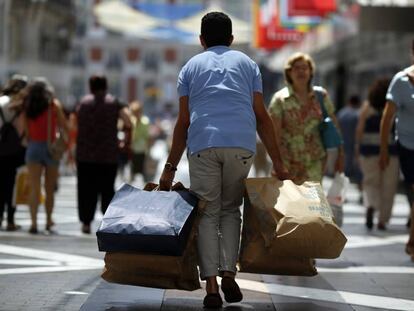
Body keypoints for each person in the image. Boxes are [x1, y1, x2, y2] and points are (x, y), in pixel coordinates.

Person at [159, 12, 290, 309]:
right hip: (241, 145)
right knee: (231, 210)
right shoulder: (248, 64)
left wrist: (170, 168)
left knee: (207, 213)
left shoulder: (190, 67)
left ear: (201, 40)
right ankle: (229, 272)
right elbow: (261, 116)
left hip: (203, 144)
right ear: (231, 39)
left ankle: (211, 288)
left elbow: (183, 122)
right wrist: (278, 163)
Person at [268, 52, 344, 185]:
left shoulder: (321, 96)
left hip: (315, 163)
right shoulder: (280, 99)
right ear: (289, 72)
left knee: (311, 204)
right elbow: (275, 134)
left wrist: (340, 156)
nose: (301, 71)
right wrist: (277, 163)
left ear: (310, 72)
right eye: (296, 68)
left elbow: (335, 127)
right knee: (288, 204)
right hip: (287, 165)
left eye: (305, 68)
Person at [76, 75, 131, 234]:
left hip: (85, 154)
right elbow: (128, 121)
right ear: (106, 86)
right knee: (107, 189)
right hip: (108, 155)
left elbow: (74, 123)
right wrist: (125, 141)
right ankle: (107, 220)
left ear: (90, 87)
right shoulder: (114, 102)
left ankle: (86, 223)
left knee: (85, 189)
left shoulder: (83, 103)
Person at [380, 39, 414, 261]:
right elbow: (387, 117)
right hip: (408, 146)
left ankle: (412, 236)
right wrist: (384, 149)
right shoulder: (401, 81)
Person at [23, 78, 68, 234]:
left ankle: (34, 223)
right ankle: (48, 220)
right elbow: (64, 125)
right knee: (49, 188)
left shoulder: (27, 106)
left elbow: (26, 131)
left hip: (33, 146)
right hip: (51, 148)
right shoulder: (53, 105)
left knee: (34, 188)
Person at [356, 78, 399, 230]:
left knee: (370, 182)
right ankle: (383, 220)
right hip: (391, 151)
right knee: (389, 185)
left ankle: (371, 205)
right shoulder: (395, 106)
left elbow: (360, 130)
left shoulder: (367, 107)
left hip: (368, 151)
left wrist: (358, 148)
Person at [0, 75, 28, 231]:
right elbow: (22, 129)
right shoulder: (20, 105)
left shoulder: (1, 101)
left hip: (0, 147)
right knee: (12, 185)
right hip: (15, 150)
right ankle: (10, 220)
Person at [337, 95, 363, 200]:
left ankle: (343, 194)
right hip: (356, 146)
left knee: (343, 172)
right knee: (359, 171)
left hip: (343, 146)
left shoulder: (341, 114)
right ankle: (362, 194)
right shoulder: (358, 114)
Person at [129, 101, 151, 184]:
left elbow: (147, 137)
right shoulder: (131, 121)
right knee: (131, 174)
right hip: (132, 150)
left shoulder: (145, 121)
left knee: (144, 174)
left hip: (142, 151)